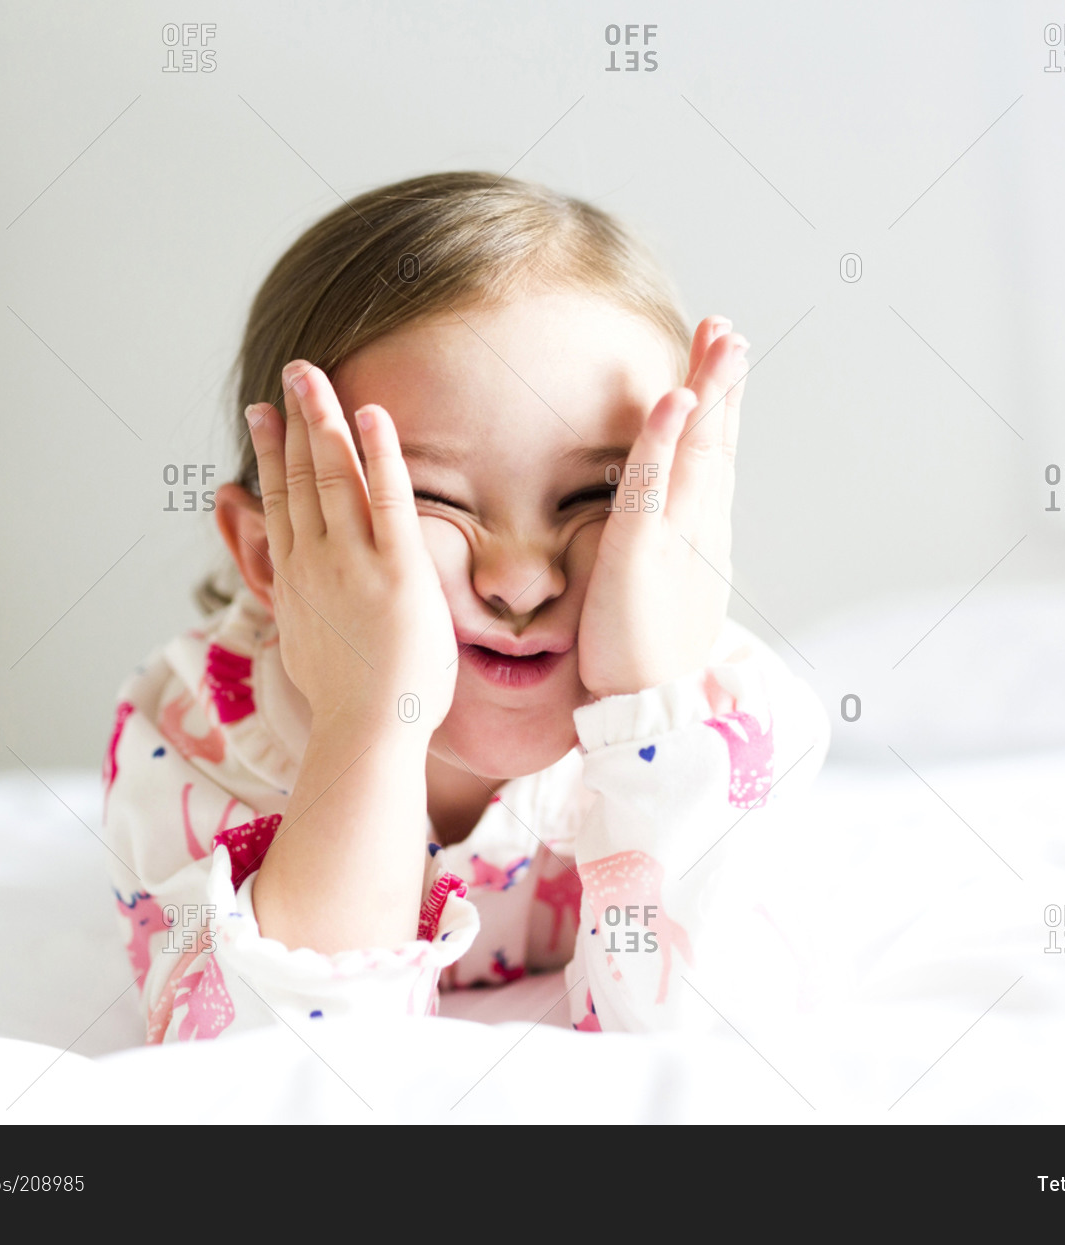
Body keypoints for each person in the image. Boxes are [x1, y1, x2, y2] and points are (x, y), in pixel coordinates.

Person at [102, 171, 829, 1041]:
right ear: (271, 554)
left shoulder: (721, 720)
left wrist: (649, 707)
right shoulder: (198, 742)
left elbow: (715, 1053)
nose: (521, 581)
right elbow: (270, 1070)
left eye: (600, 495)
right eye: (430, 499)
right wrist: (366, 719)